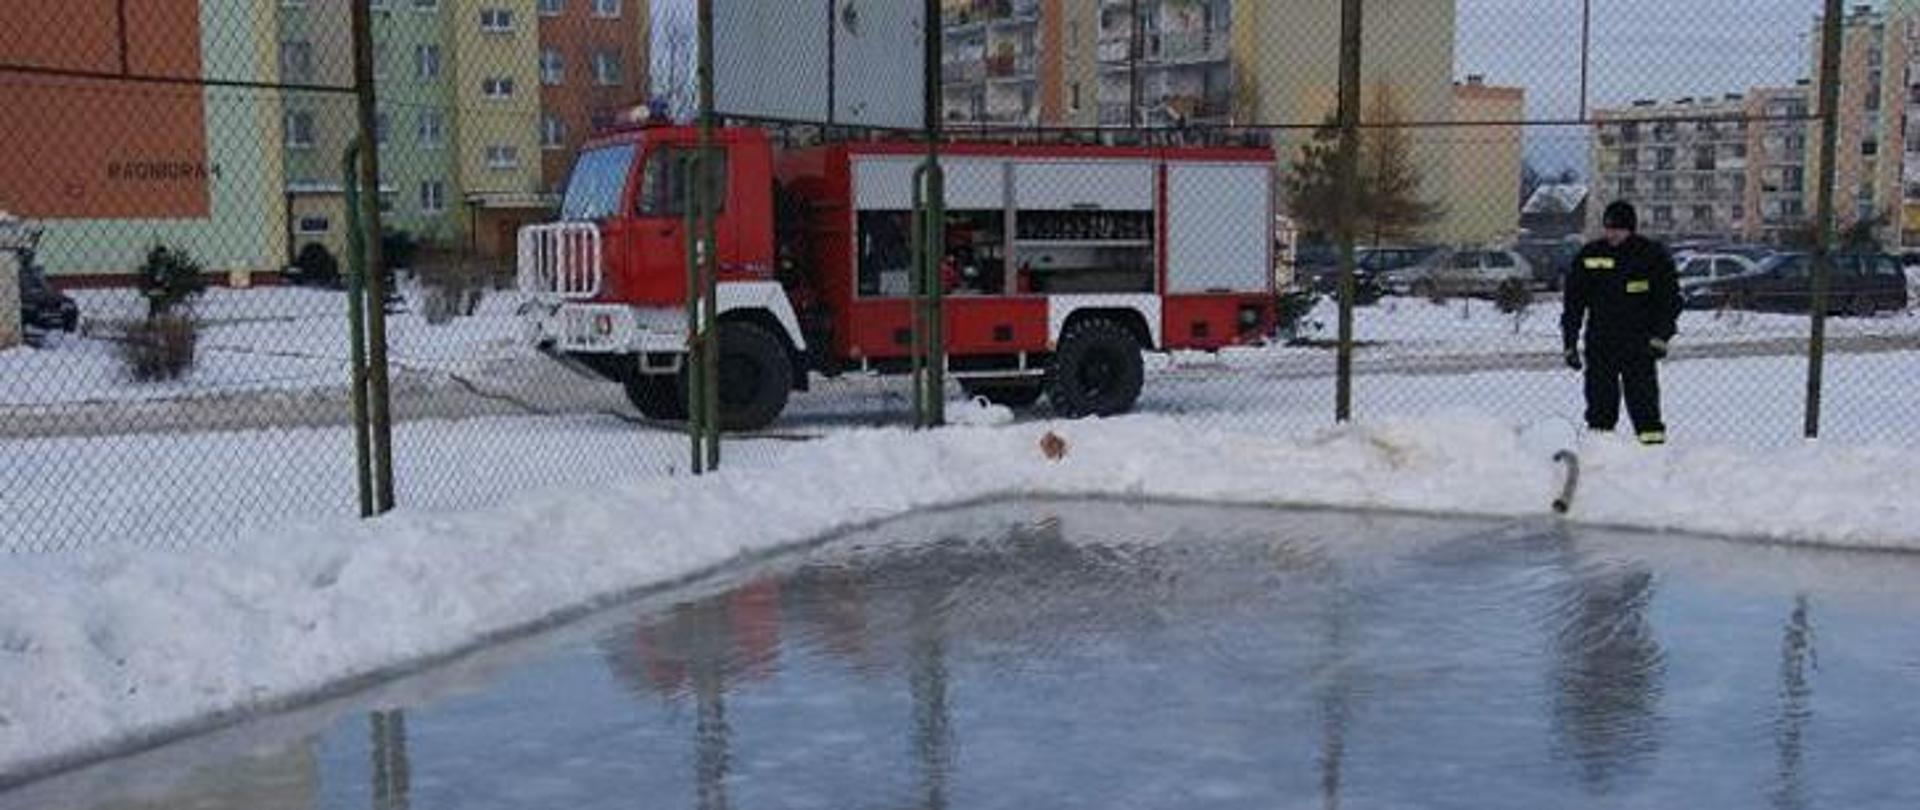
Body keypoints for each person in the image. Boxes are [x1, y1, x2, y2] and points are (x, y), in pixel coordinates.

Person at [1561, 201, 1682, 446]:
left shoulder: (1651, 256)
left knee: (1644, 403)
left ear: (1631, 229)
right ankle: (1601, 453)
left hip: (1639, 346)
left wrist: (1661, 337)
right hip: (1601, 344)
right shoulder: (1590, 255)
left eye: (1618, 229)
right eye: (1608, 228)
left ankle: (1652, 450)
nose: (1612, 234)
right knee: (1600, 406)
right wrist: (1570, 344)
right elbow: (1574, 303)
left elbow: (1669, 302)